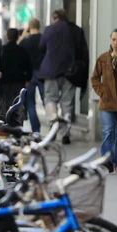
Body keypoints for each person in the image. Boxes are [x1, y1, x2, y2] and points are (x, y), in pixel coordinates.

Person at [39, 9, 88, 144]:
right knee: (67, 102)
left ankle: (52, 129)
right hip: (70, 72)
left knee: (51, 100)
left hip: (51, 71)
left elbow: (41, 47)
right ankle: (66, 133)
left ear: (55, 18)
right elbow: (82, 52)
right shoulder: (76, 30)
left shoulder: (49, 30)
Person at [91, 29, 117, 172]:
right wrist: (102, 92)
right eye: (114, 39)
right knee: (108, 132)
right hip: (107, 102)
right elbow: (95, 78)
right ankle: (106, 161)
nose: (116, 43)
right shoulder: (103, 58)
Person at [18, 18, 45, 133]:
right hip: (42, 73)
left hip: (29, 75)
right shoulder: (44, 40)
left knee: (30, 103)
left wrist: (23, 35)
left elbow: (17, 47)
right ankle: (54, 126)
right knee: (46, 101)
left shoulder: (25, 41)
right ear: (39, 26)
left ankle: (36, 130)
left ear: (29, 27)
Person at [0, 28, 32, 119]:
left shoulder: (2, 50)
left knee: (4, 104)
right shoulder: (22, 51)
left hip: (4, 81)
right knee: (18, 104)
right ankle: (17, 124)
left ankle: (5, 124)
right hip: (19, 81)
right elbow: (29, 66)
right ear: (18, 37)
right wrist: (28, 79)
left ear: (7, 37)